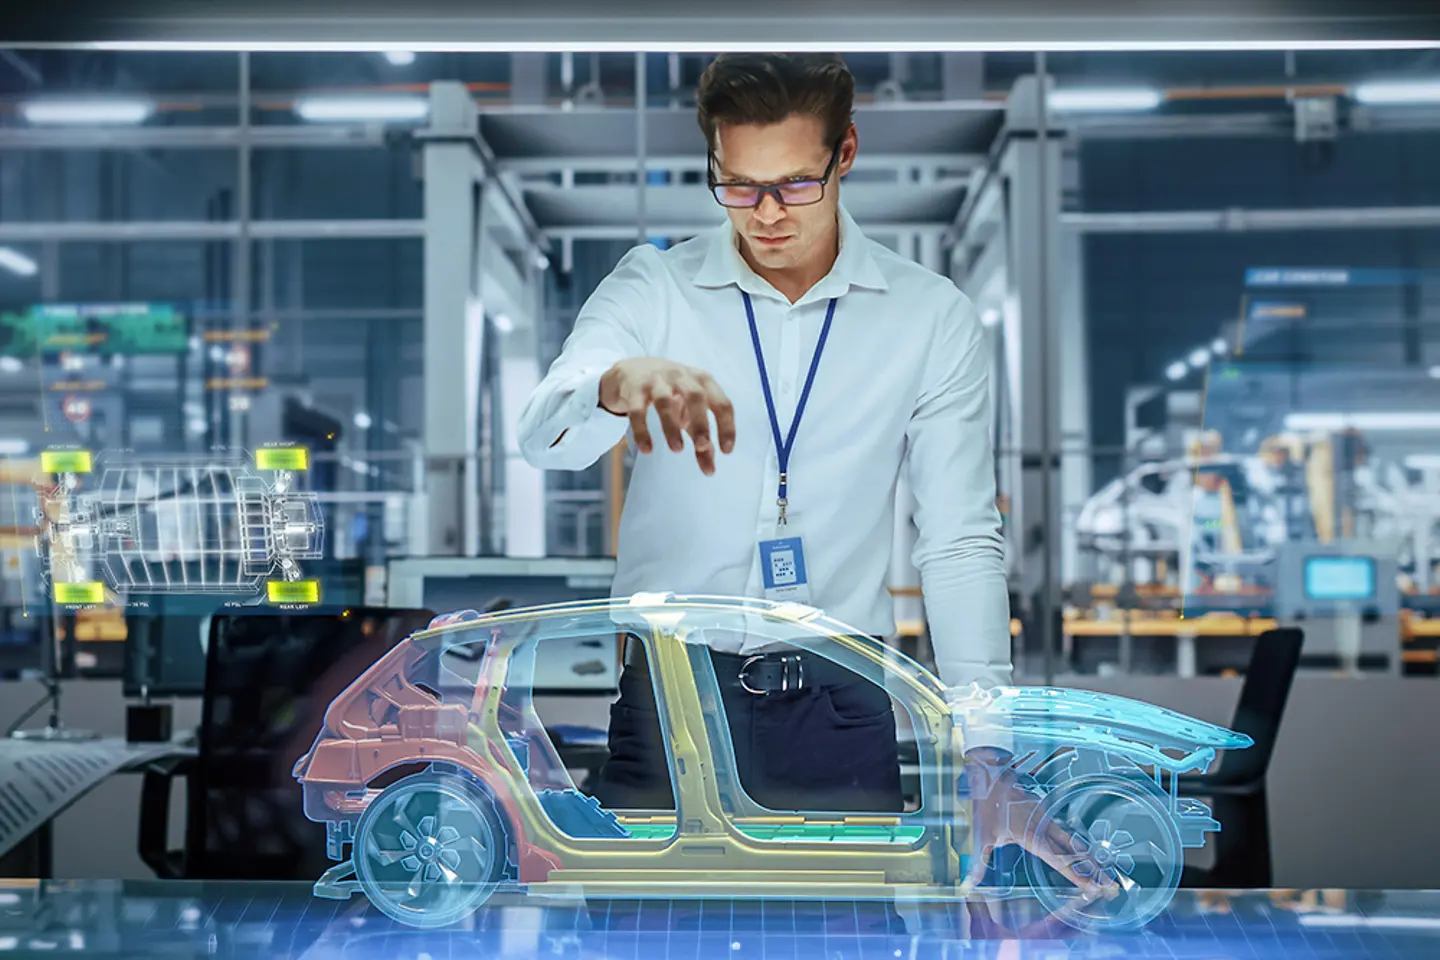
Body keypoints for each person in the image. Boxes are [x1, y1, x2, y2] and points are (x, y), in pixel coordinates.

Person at [517, 53, 1106, 900]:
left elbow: (960, 540)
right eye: (738, 186)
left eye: (794, 185)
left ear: (847, 154)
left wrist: (985, 754)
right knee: (642, 940)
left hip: (841, 710)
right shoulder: (655, 288)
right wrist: (614, 384)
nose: (764, 215)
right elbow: (545, 437)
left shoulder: (927, 317)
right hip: (671, 710)